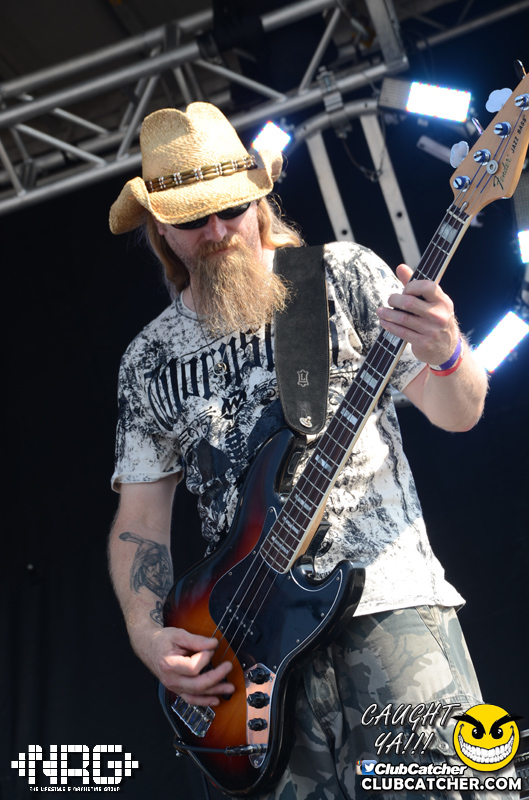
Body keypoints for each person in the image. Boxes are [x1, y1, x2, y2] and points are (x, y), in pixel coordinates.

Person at [107, 103, 506, 799]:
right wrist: (147, 635)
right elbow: (138, 524)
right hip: (248, 653)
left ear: (259, 197)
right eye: (193, 220)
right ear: (160, 228)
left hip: (387, 608)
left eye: (231, 209)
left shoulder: (342, 275)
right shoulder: (149, 361)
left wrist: (446, 354)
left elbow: (460, 411)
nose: (218, 232)